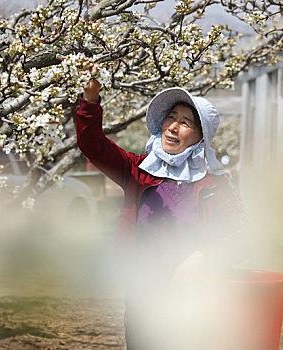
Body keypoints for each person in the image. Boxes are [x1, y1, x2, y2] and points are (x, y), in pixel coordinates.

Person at [75, 75, 248, 349]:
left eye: (186, 122)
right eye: (171, 117)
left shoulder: (214, 183)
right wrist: (91, 99)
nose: (173, 127)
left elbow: (240, 237)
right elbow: (92, 144)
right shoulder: (138, 170)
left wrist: (201, 256)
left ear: (201, 137)